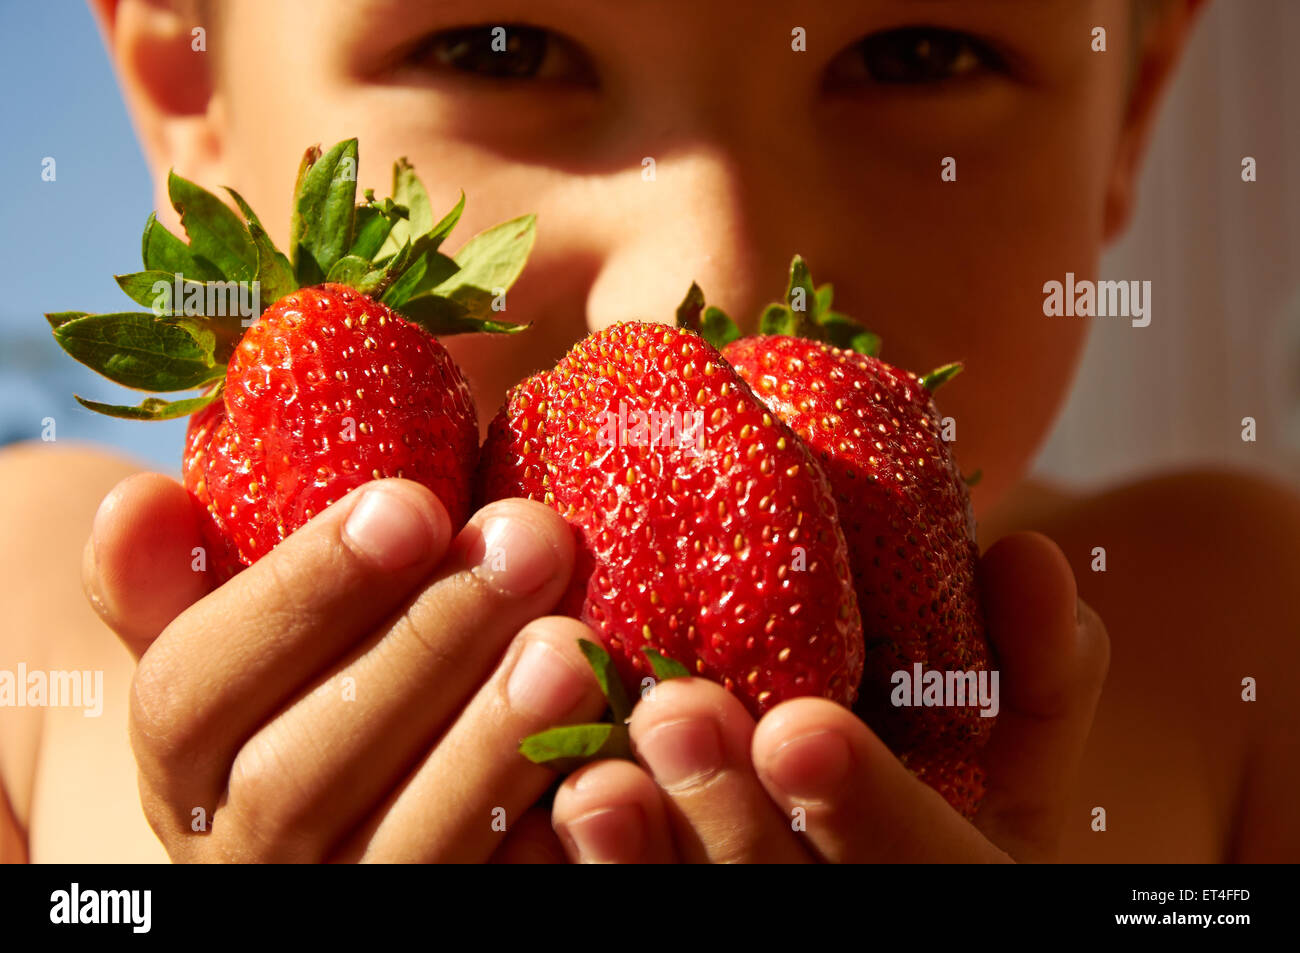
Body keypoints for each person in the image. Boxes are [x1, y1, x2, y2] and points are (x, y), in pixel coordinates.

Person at [2, 0, 1296, 863]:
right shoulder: (19, 653)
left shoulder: (1251, 637)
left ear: (1134, 105)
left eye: (918, 52)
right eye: (500, 45)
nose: (713, 273)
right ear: (185, 64)